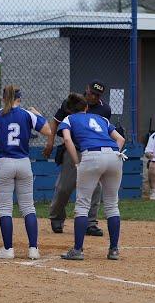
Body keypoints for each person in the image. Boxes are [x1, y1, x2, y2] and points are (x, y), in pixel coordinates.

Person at [57, 93, 126, 260]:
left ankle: (78, 250)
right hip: (115, 156)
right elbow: (121, 139)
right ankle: (114, 250)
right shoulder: (101, 118)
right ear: (86, 107)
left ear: (68, 110)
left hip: (91, 156)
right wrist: (111, 154)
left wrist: (77, 162)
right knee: (112, 205)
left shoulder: (68, 119)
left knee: (82, 205)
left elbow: (67, 140)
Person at [0, 85, 51, 260]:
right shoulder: (27, 114)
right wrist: (38, 115)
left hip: (5, 163)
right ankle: (33, 249)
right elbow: (48, 131)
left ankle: (8, 249)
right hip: (23, 162)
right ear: (19, 99)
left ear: (3, 98)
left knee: (5, 209)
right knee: (28, 207)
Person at [43, 80, 112, 236]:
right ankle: (56, 217)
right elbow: (56, 122)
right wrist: (50, 142)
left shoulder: (104, 109)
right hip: (74, 147)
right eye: (91, 93)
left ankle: (90, 223)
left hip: (93, 151)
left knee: (95, 187)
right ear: (86, 89)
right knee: (64, 187)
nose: (93, 97)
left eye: (97, 95)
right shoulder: (72, 103)